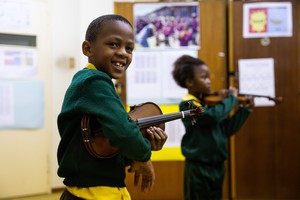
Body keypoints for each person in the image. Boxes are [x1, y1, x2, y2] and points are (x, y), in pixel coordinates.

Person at [57, 14, 168, 200]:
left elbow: (104, 146)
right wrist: (143, 155)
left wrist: (141, 148)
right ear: (87, 48)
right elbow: (123, 131)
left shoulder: (93, 82)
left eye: (129, 48)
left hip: (94, 190)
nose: (123, 52)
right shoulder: (94, 81)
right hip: (93, 194)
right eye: (113, 44)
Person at [172, 55, 253, 200]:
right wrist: (232, 99)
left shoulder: (207, 103)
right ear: (190, 82)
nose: (209, 82)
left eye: (209, 77)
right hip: (198, 168)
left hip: (217, 166)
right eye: (204, 78)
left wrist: (244, 110)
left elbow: (227, 129)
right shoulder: (188, 105)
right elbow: (212, 116)